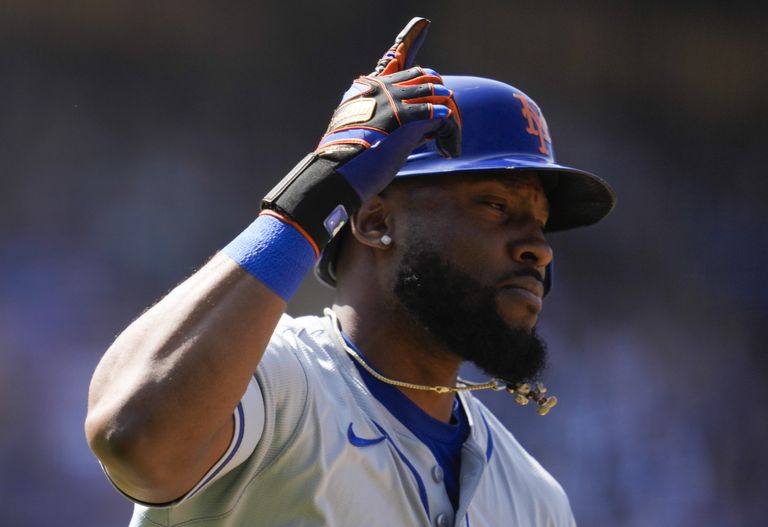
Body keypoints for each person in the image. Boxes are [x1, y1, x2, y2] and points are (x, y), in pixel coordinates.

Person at [85, 17, 615, 527]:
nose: (538, 249)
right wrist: (312, 195)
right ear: (374, 219)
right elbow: (133, 435)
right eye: (496, 206)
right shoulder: (277, 382)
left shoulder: (536, 501)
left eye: (541, 224)